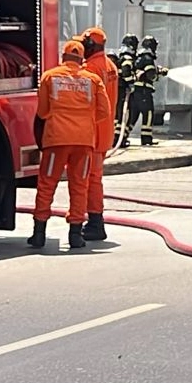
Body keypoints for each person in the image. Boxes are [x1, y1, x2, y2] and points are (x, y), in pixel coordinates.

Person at [29, 39, 111, 251]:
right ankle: (76, 235)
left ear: (63, 57)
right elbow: (104, 112)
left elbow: (42, 112)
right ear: (82, 58)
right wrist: (84, 120)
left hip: (56, 140)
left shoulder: (49, 76)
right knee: (80, 186)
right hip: (84, 142)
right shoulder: (92, 80)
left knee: (47, 184)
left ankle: (39, 235)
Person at [80, 27, 119, 242]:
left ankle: (95, 222)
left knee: (91, 180)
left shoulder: (92, 69)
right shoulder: (110, 66)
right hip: (105, 133)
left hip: (93, 132)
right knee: (94, 178)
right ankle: (94, 220)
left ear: (91, 45)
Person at [127, 35, 169, 146]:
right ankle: (146, 139)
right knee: (148, 114)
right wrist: (158, 75)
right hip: (144, 93)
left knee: (133, 117)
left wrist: (158, 70)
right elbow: (151, 75)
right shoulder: (148, 58)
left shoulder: (139, 57)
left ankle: (121, 138)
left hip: (135, 93)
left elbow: (144, 72)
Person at [114, 34, 139, 145]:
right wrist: (131, 83)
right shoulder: (128, 58)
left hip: (119, 89)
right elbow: (126, 71)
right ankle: (119, 138)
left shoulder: (121, 57)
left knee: (119, 115)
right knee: (124, 115)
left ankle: (119, 138)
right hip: (124, 90)